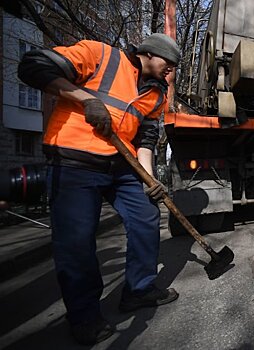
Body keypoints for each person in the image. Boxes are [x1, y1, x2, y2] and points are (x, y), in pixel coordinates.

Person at [18, 33, 181, 345]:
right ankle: (84, 316)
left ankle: (139, 289)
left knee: (147, 217)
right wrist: (86, 99)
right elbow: (33, 66)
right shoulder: (100, 55)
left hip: (121, 165)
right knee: (76, 243)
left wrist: (150, 180)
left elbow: (145, 140)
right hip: (74, 162)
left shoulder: (157, 94)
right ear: (149, 53)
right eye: (168, 64)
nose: (170, 72)